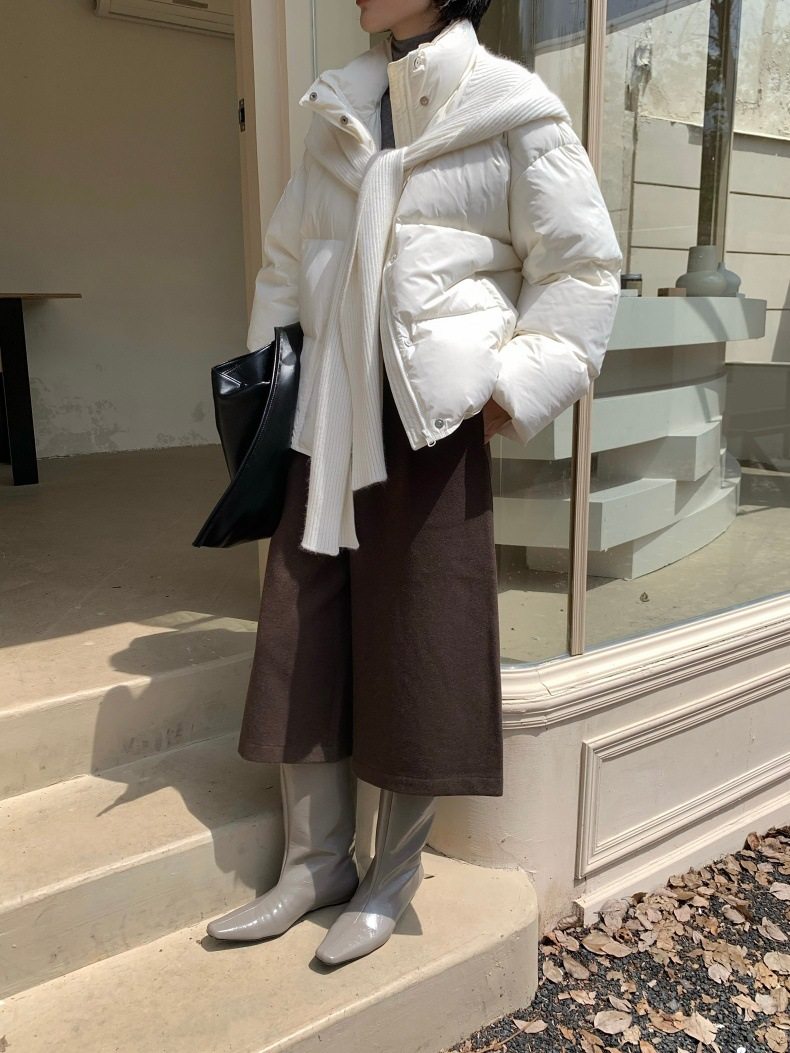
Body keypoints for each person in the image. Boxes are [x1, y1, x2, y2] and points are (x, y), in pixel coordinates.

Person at [206, 0, 623, 965]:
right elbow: (288, 259)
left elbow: (583, 270)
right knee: (305, 626)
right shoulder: (339, 107)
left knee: (420, 638)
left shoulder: (512, 108)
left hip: (429, 419)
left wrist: (508, 390)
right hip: (325, 409)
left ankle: (390, 877)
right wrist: (272, 378)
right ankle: (314, 864)